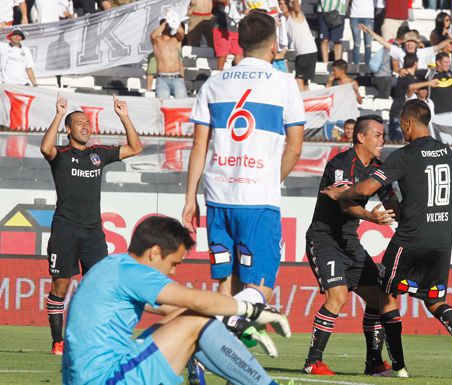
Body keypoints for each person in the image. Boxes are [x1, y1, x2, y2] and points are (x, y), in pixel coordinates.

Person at [323, 99, 452, 379]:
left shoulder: (404, 156)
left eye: (401, 125)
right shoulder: (445, 152)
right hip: (442, 240)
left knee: (385, 296)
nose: (399, 131)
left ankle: (399, 367)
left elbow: (368, 187)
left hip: (411, 238)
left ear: (408, 123)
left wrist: (341, 194)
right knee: (434, 299)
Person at [183, 12, 305, 358]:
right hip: (257, 199)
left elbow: (198, 146)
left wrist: (190, 198)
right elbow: (295, 147)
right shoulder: (283, 84)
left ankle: (221, 362)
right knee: (261, 285)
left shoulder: (215, 83)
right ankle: (226, 327)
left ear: (239, 41)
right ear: (275, 43)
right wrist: (269, 180)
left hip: (217, 198)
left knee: (227, 284)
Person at [62, 216, 288, 385]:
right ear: (155, 252)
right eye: (174, 263)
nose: (172, 272)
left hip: (93, 376)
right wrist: (253, 310)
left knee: (188, 316)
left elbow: (179, 307)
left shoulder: (113, 266)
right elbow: (198, 301)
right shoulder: (134, 273)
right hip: (108, 379)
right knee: (196, 320)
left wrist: (232, 320)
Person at [39, 94, 143, 355]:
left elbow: (135, 148)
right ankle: (57, 341)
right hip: (65, 229)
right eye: (80, 123)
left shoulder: (98, 154)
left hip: (94, 233)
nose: (86, 127)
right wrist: (59, 114)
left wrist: (124, 117)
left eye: (88, 123)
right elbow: (45, 148)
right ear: (69, 129)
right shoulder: (61, 155)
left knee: (98, 286)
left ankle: (96, 340)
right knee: (60, 286)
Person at [302, 116, 402, 377]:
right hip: (325, 239)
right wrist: (371, 217)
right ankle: (313, 362)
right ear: (361, 137)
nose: (383, 139)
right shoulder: (341, 164)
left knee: (378, 298)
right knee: (338, 297)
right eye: (378, 135)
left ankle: (373, 363)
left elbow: (392, 203)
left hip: (350, 241)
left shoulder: (378, 168)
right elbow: (343, 202)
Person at [281, 0, 318, 90]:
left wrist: (293, 2)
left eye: (283, 4)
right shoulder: (283, 19)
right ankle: (307, 100)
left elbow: (296, 5)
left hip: (306, 51)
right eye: (280, 4)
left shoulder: (296, 14)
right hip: (303, 52)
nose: (281, 6)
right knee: (304, 82)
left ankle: (303, 101)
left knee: (299, 80)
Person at [151, 13, 187, 99]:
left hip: (177, 77)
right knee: (162, 106)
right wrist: (165, 23)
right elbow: (153, 35)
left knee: (181, 105)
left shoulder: (176, 39)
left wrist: (174, 22)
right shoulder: (157, 41)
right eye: (166, 23)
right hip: (162, 78)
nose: (168, 26)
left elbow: (182, 33)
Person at [421, 52, 452, 118]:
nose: (448, 64)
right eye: (445, 62)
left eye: (449, 62)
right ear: (438, 62)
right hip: (441, 112)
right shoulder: (429, 74)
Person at [213, 0, 245, 70]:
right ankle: (219, 73)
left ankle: (238, 74)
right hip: (222, 29)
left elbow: (245, 10)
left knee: (239, 53)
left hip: (237, 29)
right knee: (222, 55)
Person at [349, 0, 375, 67]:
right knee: (356, 43)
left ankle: (368, 67)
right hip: (354, 15)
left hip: (368, 16)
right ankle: (356, 67)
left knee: (368, 44)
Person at [318, 0, 346, 65]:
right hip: (323, 9)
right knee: (324, 39)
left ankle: (338, 65)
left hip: (339, 10)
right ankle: (325, 64)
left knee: (337, 41)